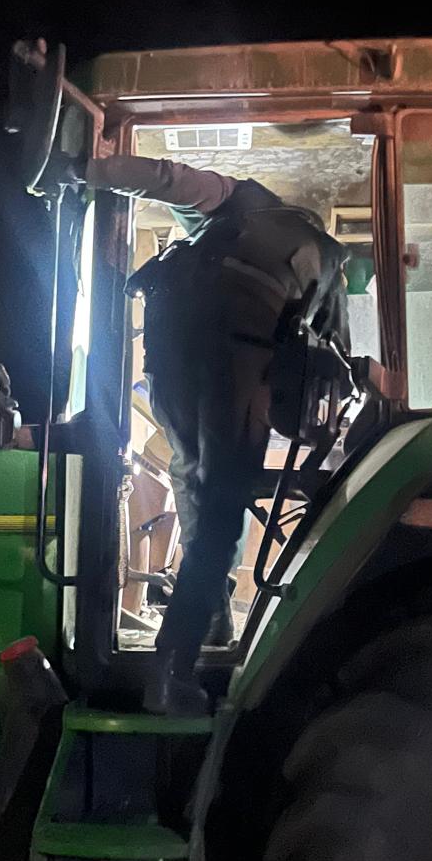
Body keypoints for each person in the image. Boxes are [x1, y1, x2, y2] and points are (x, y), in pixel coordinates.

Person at [85, 156, 348, 714]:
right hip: (231, 364)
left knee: (193, 476)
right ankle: (171, 668)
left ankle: (210, 614)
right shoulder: (322, 258)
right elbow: (331, 362)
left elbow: (163, 178)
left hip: (166, 363)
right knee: (223, 506)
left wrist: (87, 170)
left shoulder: (229, 209)